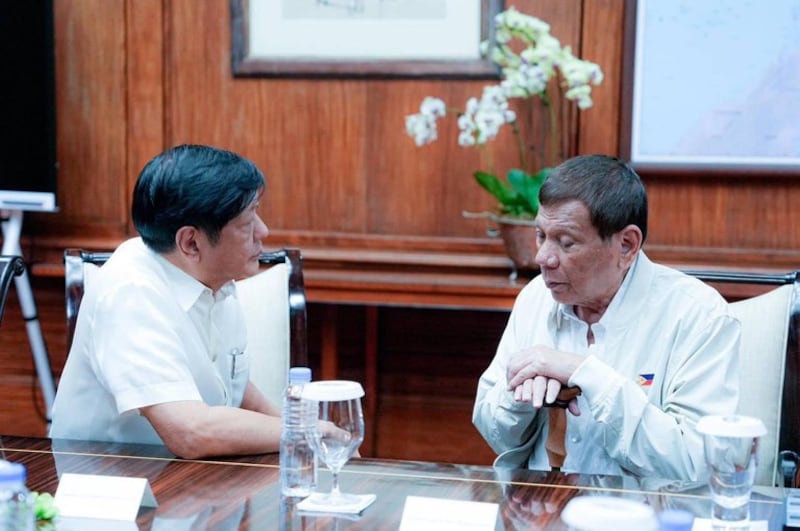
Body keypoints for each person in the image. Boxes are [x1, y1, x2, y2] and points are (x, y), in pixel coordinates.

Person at [472, 154, 740, 481]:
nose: (543, 257)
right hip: (541, 512)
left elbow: (699, 463)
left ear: (626, 245)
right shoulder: (536, 297)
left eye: (566, 243)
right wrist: (519, 395)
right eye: (541, 235)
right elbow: (493, 434)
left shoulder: (698, 315)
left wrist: (588, 375)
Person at [50, 144, 282, 459]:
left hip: (190, 483)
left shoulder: (214, 279)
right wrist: (307, 433)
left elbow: (234, 387)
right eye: (246, 223)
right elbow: (190, 433)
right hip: (116, 491)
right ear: (190, 242)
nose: (263, 231)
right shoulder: (130, 291)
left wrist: (306, 435)